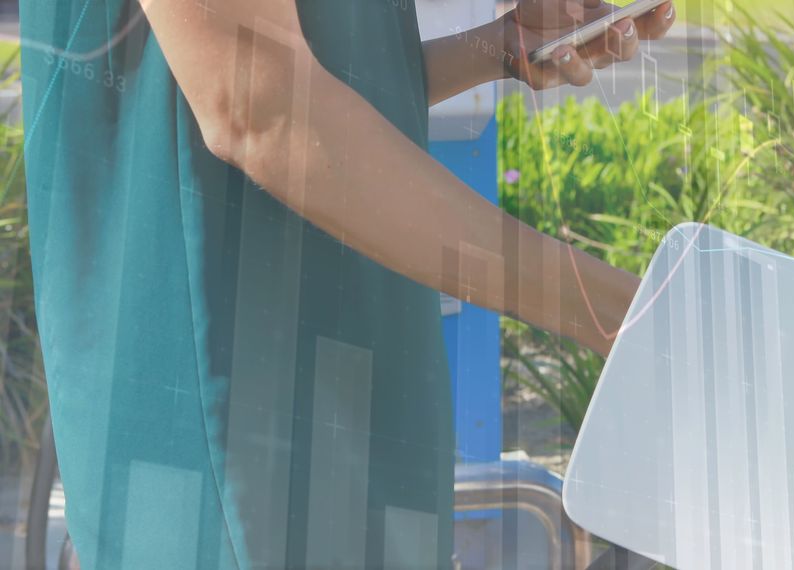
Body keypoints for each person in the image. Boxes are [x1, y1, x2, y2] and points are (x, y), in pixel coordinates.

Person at [19, 0, 675, 567]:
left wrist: (499, 50)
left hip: (338, 407)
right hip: (220, 427)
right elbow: (257, 104)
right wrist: (617, 313)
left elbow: (307, 85)